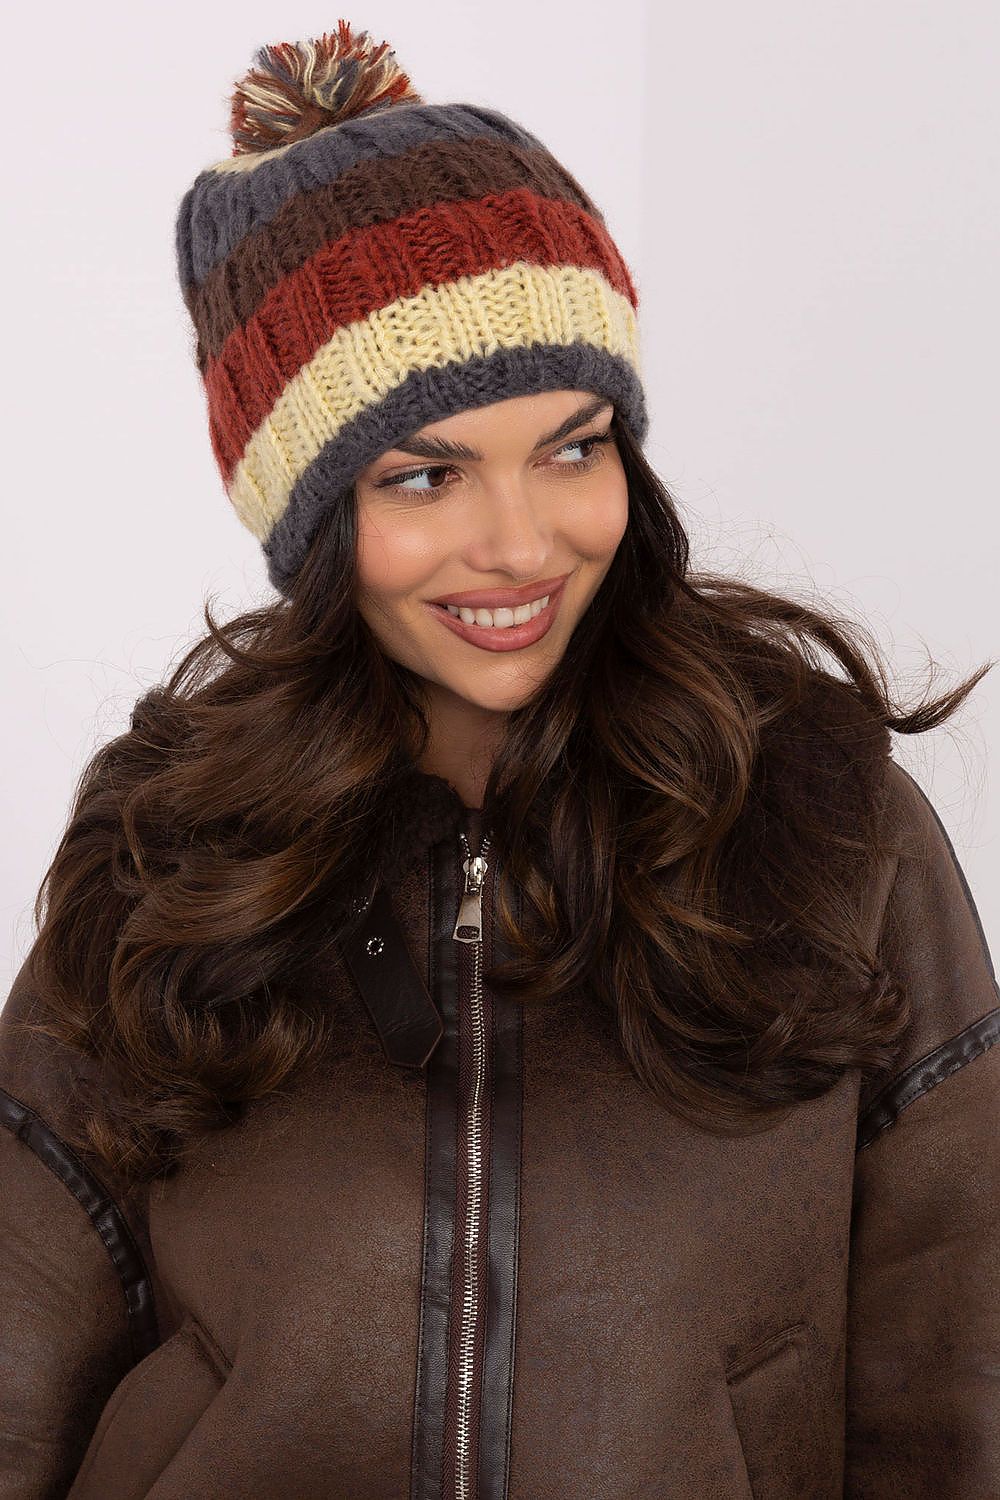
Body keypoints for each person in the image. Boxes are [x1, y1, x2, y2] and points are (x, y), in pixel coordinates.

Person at [1, 20, 997, 1499]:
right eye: (426, 475)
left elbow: (960, 1384)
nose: (523, 544)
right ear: (309, 516)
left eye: (574, 448)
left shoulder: (830, 828)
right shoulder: (171, 853)